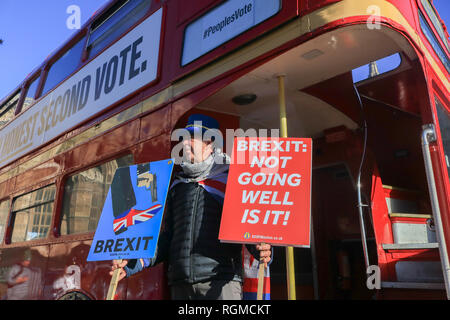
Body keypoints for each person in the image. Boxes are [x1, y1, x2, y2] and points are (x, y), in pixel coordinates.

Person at [111, 114, 271, 300]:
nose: (186, 143)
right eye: (184, 138)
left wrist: (261, 249)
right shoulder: (177, 186)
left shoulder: (231, 180)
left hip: (220, 283)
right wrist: (134, 264)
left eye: (192, 138)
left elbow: (246, 226)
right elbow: (168, 238)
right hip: (181, 284)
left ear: (210, 144)